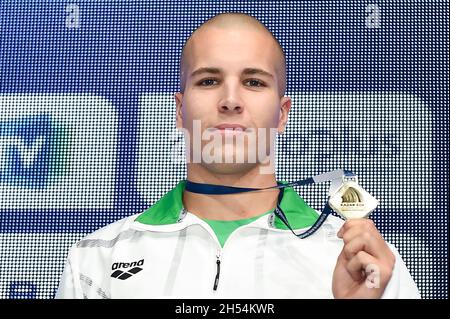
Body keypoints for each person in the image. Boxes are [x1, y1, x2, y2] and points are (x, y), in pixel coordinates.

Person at [56, 12, 420, 299]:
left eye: (254, 82)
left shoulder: (364, 263)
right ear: (180, 111)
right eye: (209, 81)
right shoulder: (96, 259)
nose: (230, 100)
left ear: (282, 114)